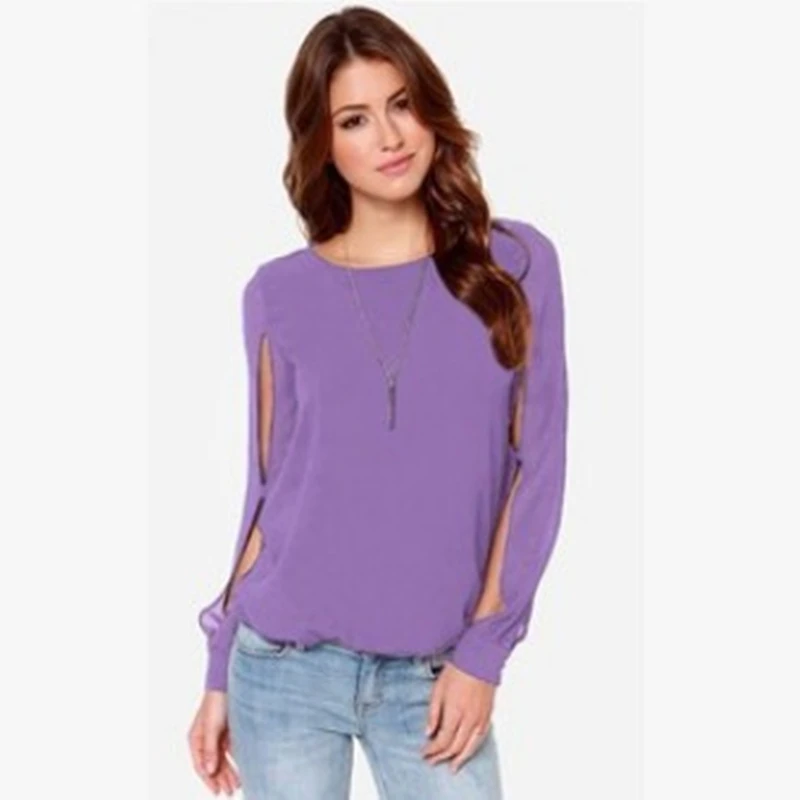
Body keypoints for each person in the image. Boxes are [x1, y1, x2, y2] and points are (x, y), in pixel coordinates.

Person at [187, 6, 569, 799]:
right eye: (354, 119)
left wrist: (483, 654)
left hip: (434, 677)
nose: (390, 137)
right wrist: (219, 670)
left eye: (401, 104)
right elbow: (267, 494)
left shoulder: (514, 265)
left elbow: (536, 470)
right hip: (282, 671)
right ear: (322, 142)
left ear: (431, 108)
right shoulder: (279, 294)